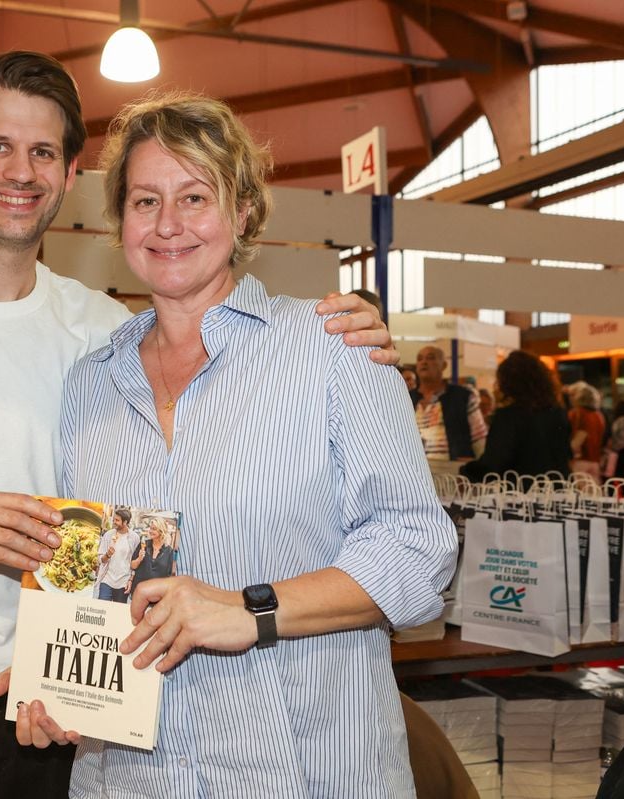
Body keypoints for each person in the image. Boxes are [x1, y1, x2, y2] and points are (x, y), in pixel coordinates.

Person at [0, 51, 398, 797]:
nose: (21, 171)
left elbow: (140, 536)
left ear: (69, 172)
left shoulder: (103, 335)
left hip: (71, 712)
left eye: (43, 151)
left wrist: (342, 339)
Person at [38, 91, 455, 796]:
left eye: (195, 197)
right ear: (120, 221)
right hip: (137, 777)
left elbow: (417, 554)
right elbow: (93, 588)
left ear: (242, 212)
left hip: (306, 771)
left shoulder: (331, 349)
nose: (168, 224)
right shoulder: (90, 386)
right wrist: (60, 686)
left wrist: (247, 608)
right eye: (145, 201)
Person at [459, 350, 570, 485]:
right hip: (558, 491)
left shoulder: (507, 416)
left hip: (521, 495)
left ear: (508, 383)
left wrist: (465, 470)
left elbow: (493, 464)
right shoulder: (558, 412)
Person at [412, 345, 487, 460]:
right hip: (415, 471)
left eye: (431, 358)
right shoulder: (407, 398)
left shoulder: (462, 396)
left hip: (453, 473)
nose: (424, 362)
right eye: (420, 359)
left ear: (444, 365)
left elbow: (480, 441)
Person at [95, 507, 139, 603]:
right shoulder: (108, 535)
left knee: (117, 614)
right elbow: (100, 559)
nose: (114, 522)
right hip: (106, 579)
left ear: (125, 522)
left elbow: (134, 563)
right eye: (114, 519)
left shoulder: (134, 538)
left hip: (123, 582)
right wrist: (107, 555)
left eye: (117, 520)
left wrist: (130, 580)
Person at [126, 516, 176, 598]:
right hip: (140, 592)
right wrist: (139, 559)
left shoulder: (169, 551)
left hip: (157, 595)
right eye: (150, 528)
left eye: (154, 529)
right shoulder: (143, 545)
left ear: (161, 531)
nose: (150, 531)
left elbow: (169, 575)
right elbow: (132, 566)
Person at [568, 381, 606, 480]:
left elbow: (577, 440)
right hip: (595, 460)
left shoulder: (578, 413)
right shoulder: (599, 415)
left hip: (580, 461)